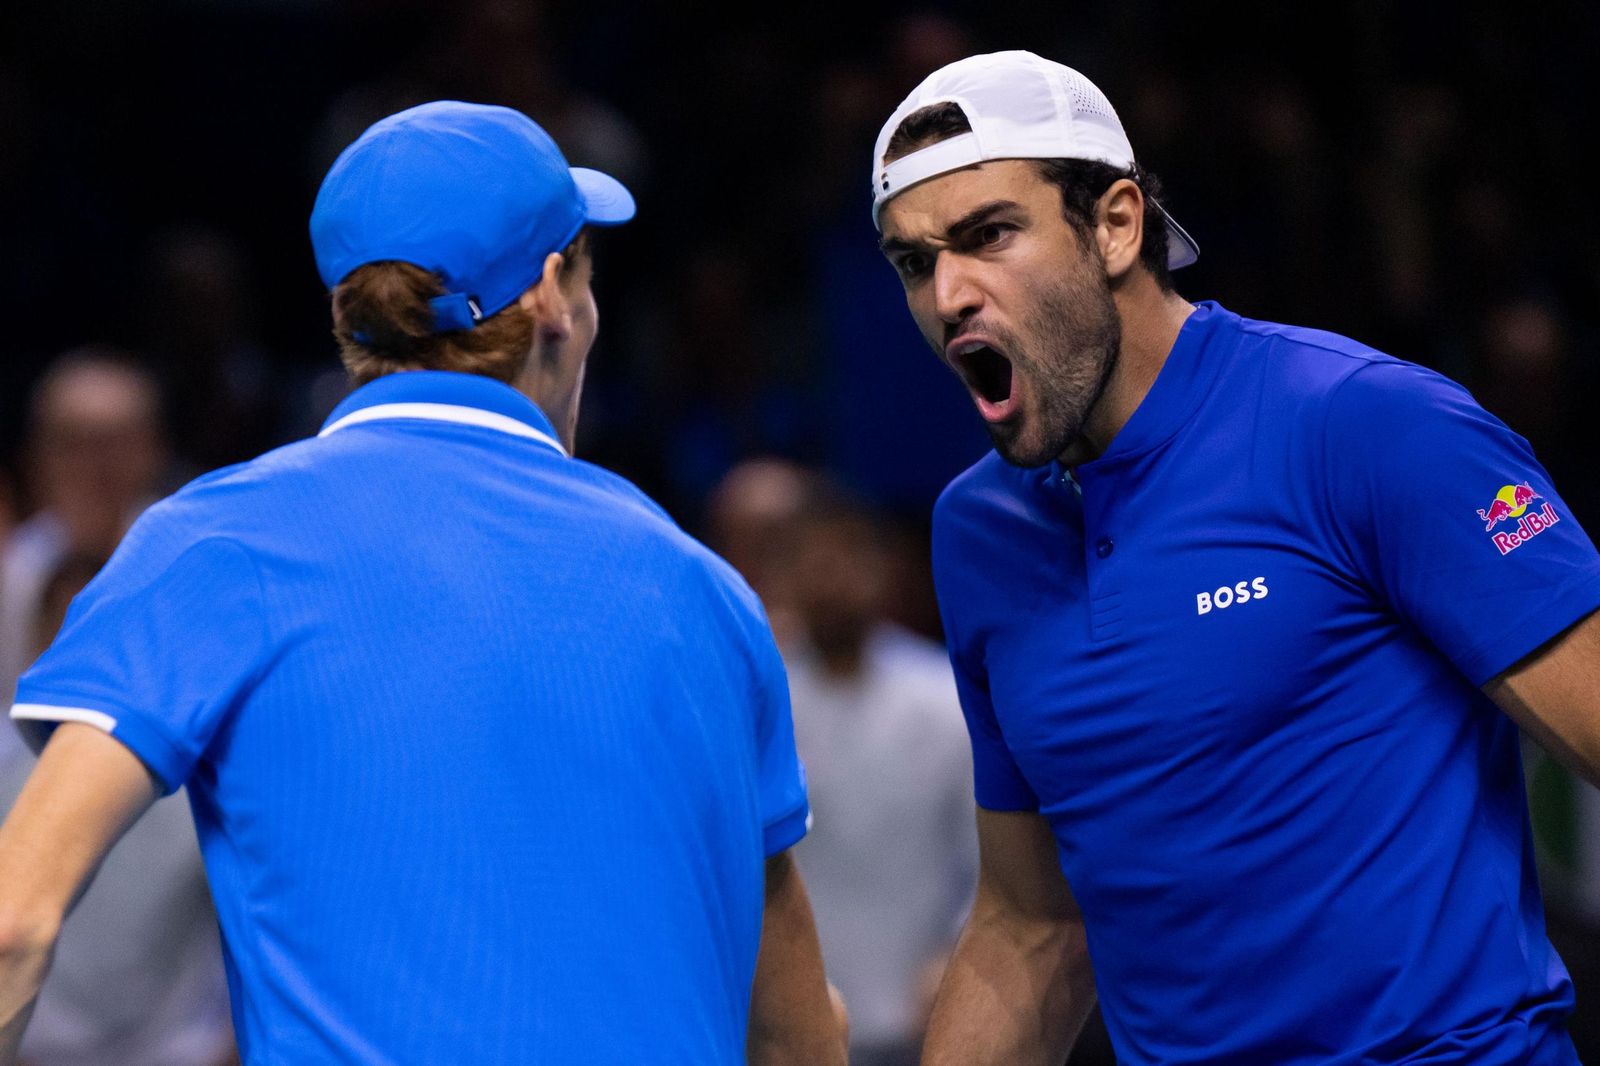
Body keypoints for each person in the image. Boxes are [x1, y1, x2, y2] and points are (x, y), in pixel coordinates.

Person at [0, 100, 843, 1065]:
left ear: (344, 317)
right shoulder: (708, 596)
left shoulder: (218, 542)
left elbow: (12, 924)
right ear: (552, 298)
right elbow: (798, 1034)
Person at [870, 50, 1600, 1065]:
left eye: (988, 234)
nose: (949, 293)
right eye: (913, 261)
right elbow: (1033, 924)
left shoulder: (1366, 424)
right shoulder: (974, 534)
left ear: (1116, 224)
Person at [0, 553, 234, 1066]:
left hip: (169, 1054)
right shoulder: (4, 764)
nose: (85, 668)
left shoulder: (212, 780)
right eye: (58, 636)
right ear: (33, 643)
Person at [773, 477, 977, 1066]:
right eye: (814, 561)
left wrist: (958, 958)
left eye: (848, 558)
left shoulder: (945, 696)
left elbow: (991, 856)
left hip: (923, 1009)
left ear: (881, 568)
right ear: (787, 574)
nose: (832, 578)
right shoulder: (762, 702)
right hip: (802, 1020)